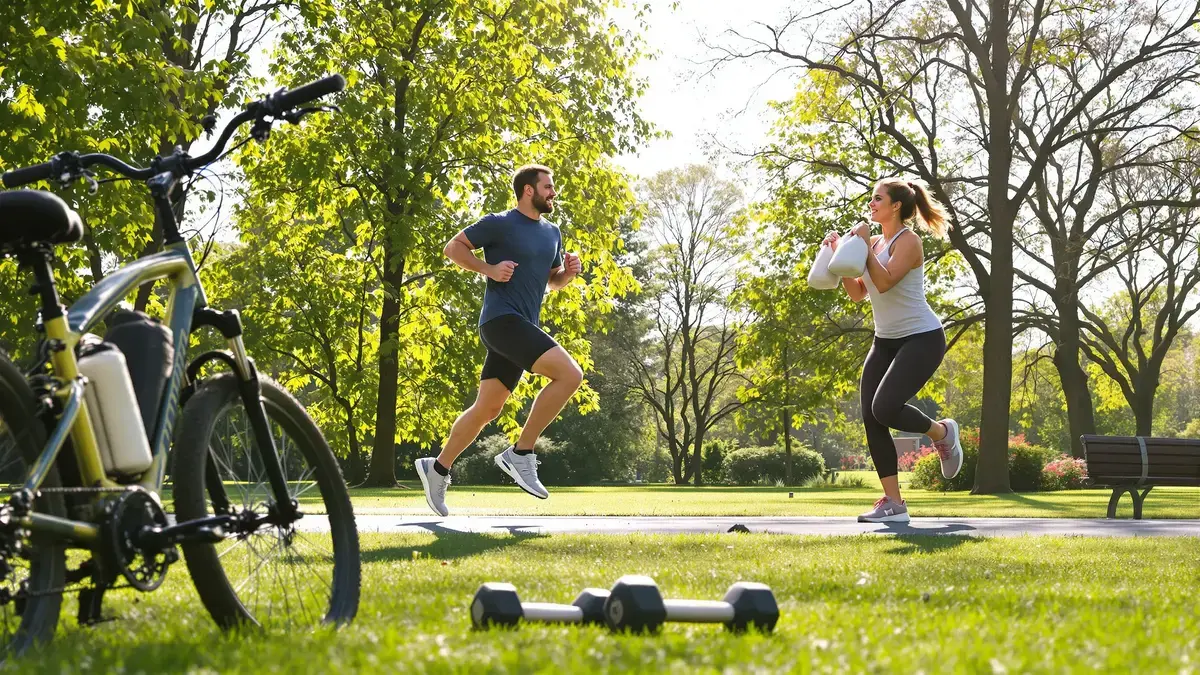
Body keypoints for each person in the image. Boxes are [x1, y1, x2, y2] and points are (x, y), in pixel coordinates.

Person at [415, 164, 583, 516]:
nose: (554, 193)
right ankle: (522, 453)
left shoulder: (552, 232)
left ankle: (438, 468)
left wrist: (567, 273)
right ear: (528, 190)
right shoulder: (500, 223)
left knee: (488, 408)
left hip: (520, 324)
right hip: (501, 321)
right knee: (570, 375)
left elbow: (551, 281)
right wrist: (488, 269)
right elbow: (453, 247)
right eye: (548, 187)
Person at [822, 178, 962, 523]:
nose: (871, 204)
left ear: (896, 205)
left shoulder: (909, 241)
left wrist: (863, 245)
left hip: (922, 338)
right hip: (884, 340)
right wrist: (840, 255)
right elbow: (859, 292)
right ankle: (895, 505)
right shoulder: (876, 242)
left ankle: (942, 433)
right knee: (872, 417)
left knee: (885, 407)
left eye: (877, 199)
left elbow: (884, 282)